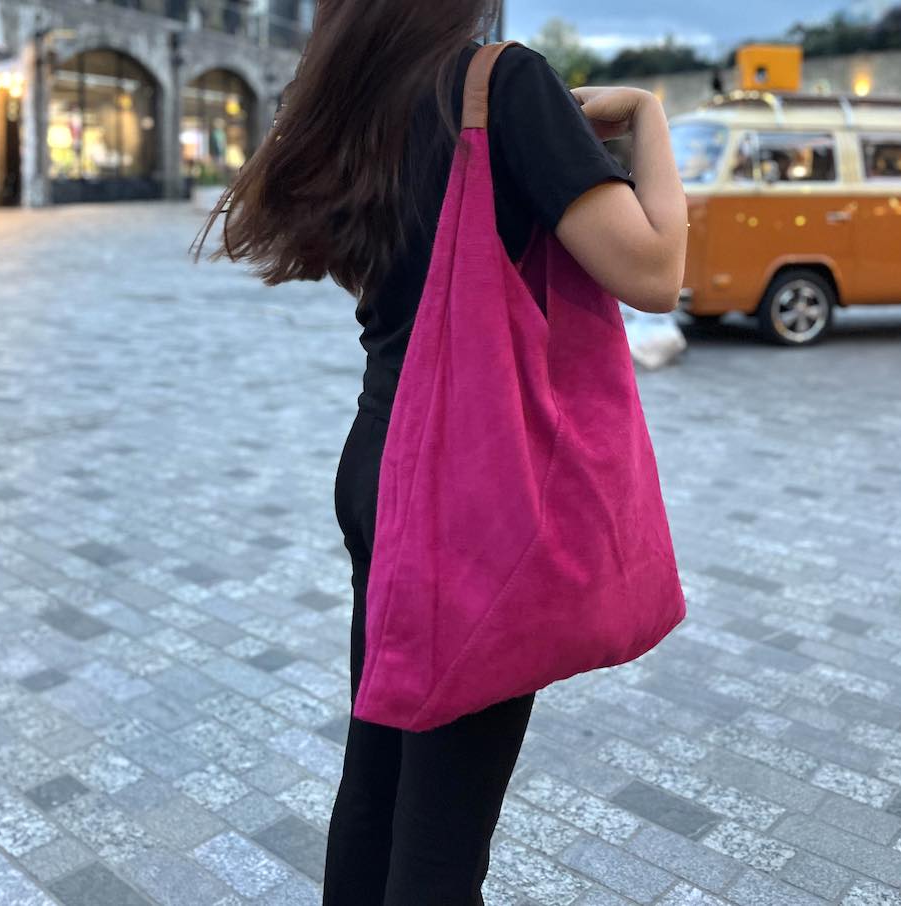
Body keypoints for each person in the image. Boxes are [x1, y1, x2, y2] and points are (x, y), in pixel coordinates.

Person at [193, 2, 687, 902]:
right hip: (472, 486)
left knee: (378, 773)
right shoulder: (500, 85)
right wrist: (649, 117)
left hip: (379, 461)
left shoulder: (351, 96)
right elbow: (654, 270)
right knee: (443, 837)